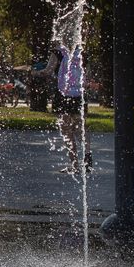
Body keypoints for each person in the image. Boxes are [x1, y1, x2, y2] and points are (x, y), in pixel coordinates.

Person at [33, 40, 92, 174]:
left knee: (66, 131)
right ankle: (88, 155)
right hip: (79, 95)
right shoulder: (81, 52)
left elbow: (47, 71)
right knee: (80, 127)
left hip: (63, 95)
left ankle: (75, 165)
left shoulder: (58, 52)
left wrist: (34, 72)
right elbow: (87, 76)